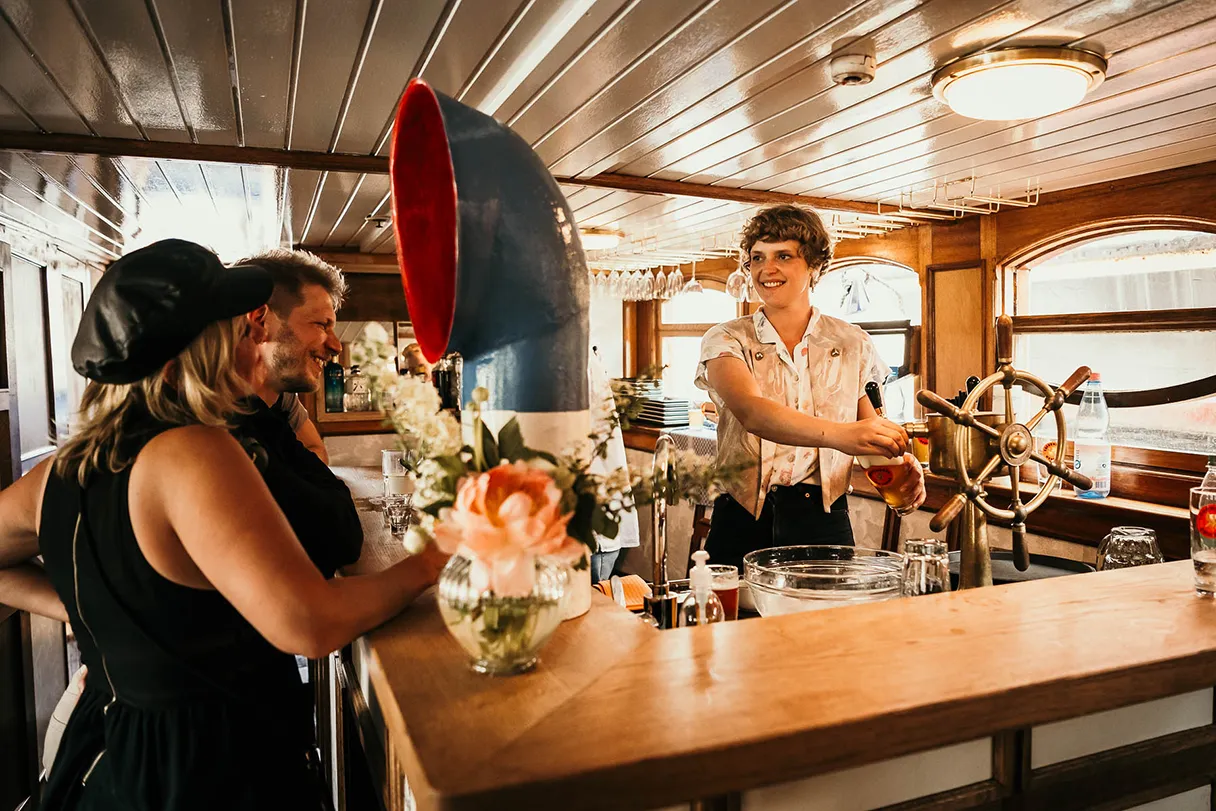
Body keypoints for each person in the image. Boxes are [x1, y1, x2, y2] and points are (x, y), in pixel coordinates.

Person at [0, 239, 446, 810]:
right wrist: (432, 561)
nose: (252, 337)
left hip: (110, 753)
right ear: (191, 351)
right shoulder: (194, 451)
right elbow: (311, 623)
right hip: (214, 764)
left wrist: (103, 615)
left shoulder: (64, 468)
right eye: (237, 330)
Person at [696, 205, 926, 574]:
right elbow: (752, 412)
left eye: (783, 256)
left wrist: (902, 462)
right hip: (741, 517)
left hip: (823, 519)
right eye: (757, 258)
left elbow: (869, 430)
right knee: (736, 628)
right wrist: (843, 435)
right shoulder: (725, 338)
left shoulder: (852, 341)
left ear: (815, 267)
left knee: (824, 629)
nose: (766, 269)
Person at [233, 248, 345, 464]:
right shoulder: (202, 406)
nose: (336, 346)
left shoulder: (283, 398)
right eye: (322, 324)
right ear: (260, 320)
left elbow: (315, 449)